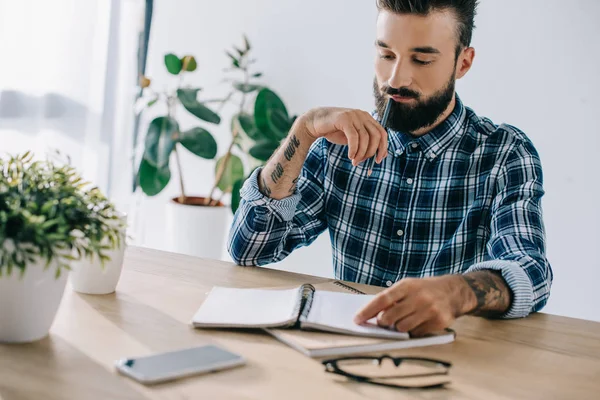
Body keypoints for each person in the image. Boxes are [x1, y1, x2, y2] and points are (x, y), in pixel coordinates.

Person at [227, 0, 553, 337]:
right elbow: (250, 251)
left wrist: (457, 292)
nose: (396, 79)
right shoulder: (337, 147)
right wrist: (304, 131)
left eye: (422, 59)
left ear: (463, 63)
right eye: (386, 55)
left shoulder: (503, 153)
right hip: (344, 353)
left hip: (449, 360)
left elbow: (530, 270)